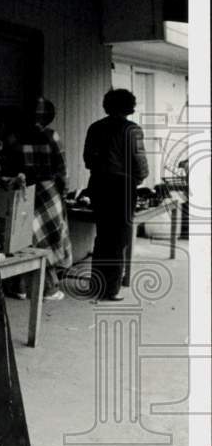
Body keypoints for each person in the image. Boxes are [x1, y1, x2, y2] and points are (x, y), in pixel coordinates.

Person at [2, 98, 73, 300]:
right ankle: (49, 289)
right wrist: (64, 193)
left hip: (22, 190)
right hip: (48, 191)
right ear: (49, 116)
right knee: (49, 240)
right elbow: (62, 169)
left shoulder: (13, 137)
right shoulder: (52, 136)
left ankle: (20, 287)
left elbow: (6, 166)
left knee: (25, 239)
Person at [83, 88, 149, 301]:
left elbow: (88, 161)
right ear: (128, 106)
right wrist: (136, 179)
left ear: (108, 105)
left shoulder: (95, 128)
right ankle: (110, 290)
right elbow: (140, 165)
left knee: (103, 236)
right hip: (122, 186)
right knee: (118, 238)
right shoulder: (133, 130)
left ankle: (97, 285)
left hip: (99, 185)